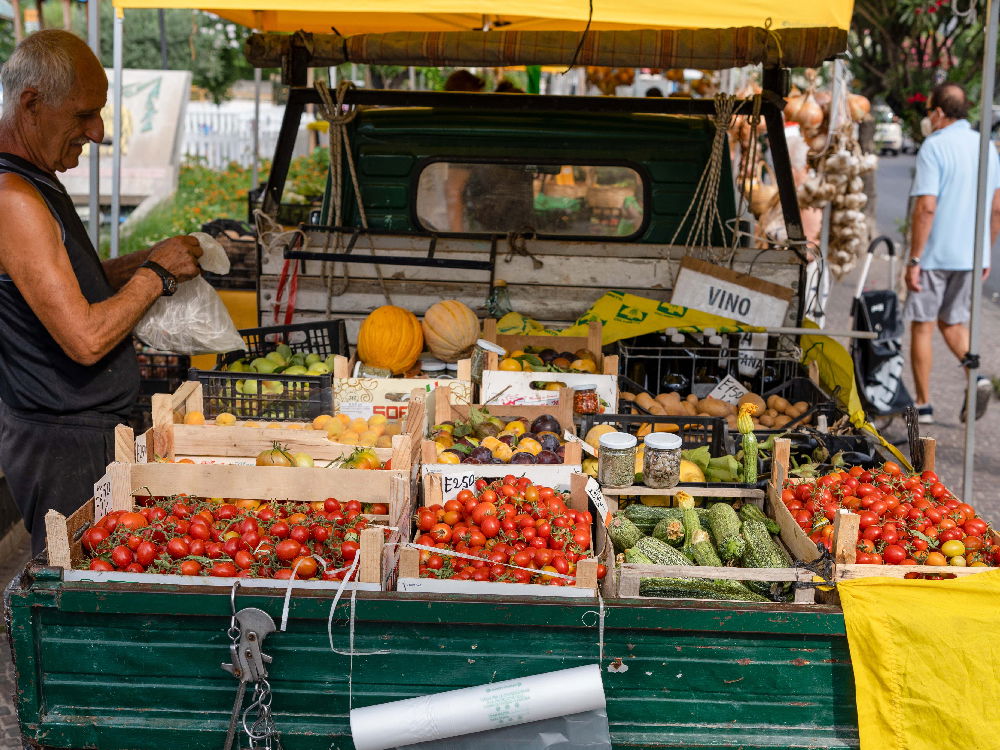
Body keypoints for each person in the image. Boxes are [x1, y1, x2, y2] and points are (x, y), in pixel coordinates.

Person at [0, 30, 203, 554]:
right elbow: (85, 338)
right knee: (70, 595)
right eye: (83, 114)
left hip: (74, 434)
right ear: (31, 104)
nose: (97, 131)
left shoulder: (34, 181)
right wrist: (155, 275)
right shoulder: (13, 200)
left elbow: (69, 289)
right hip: (60, 442)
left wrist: (144, 259)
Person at [905, 82, 1000, 424]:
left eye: (929, 112)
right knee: (952, 321)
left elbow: (926, 208)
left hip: (935, 255)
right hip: (971, 255)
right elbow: (997, 207)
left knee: (922, 326)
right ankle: (977, 377)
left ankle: (924, 404)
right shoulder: (986, 147)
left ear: (940, 113)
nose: (928, 118)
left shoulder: (935, 146)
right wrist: (985, 254)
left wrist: (915, 258)